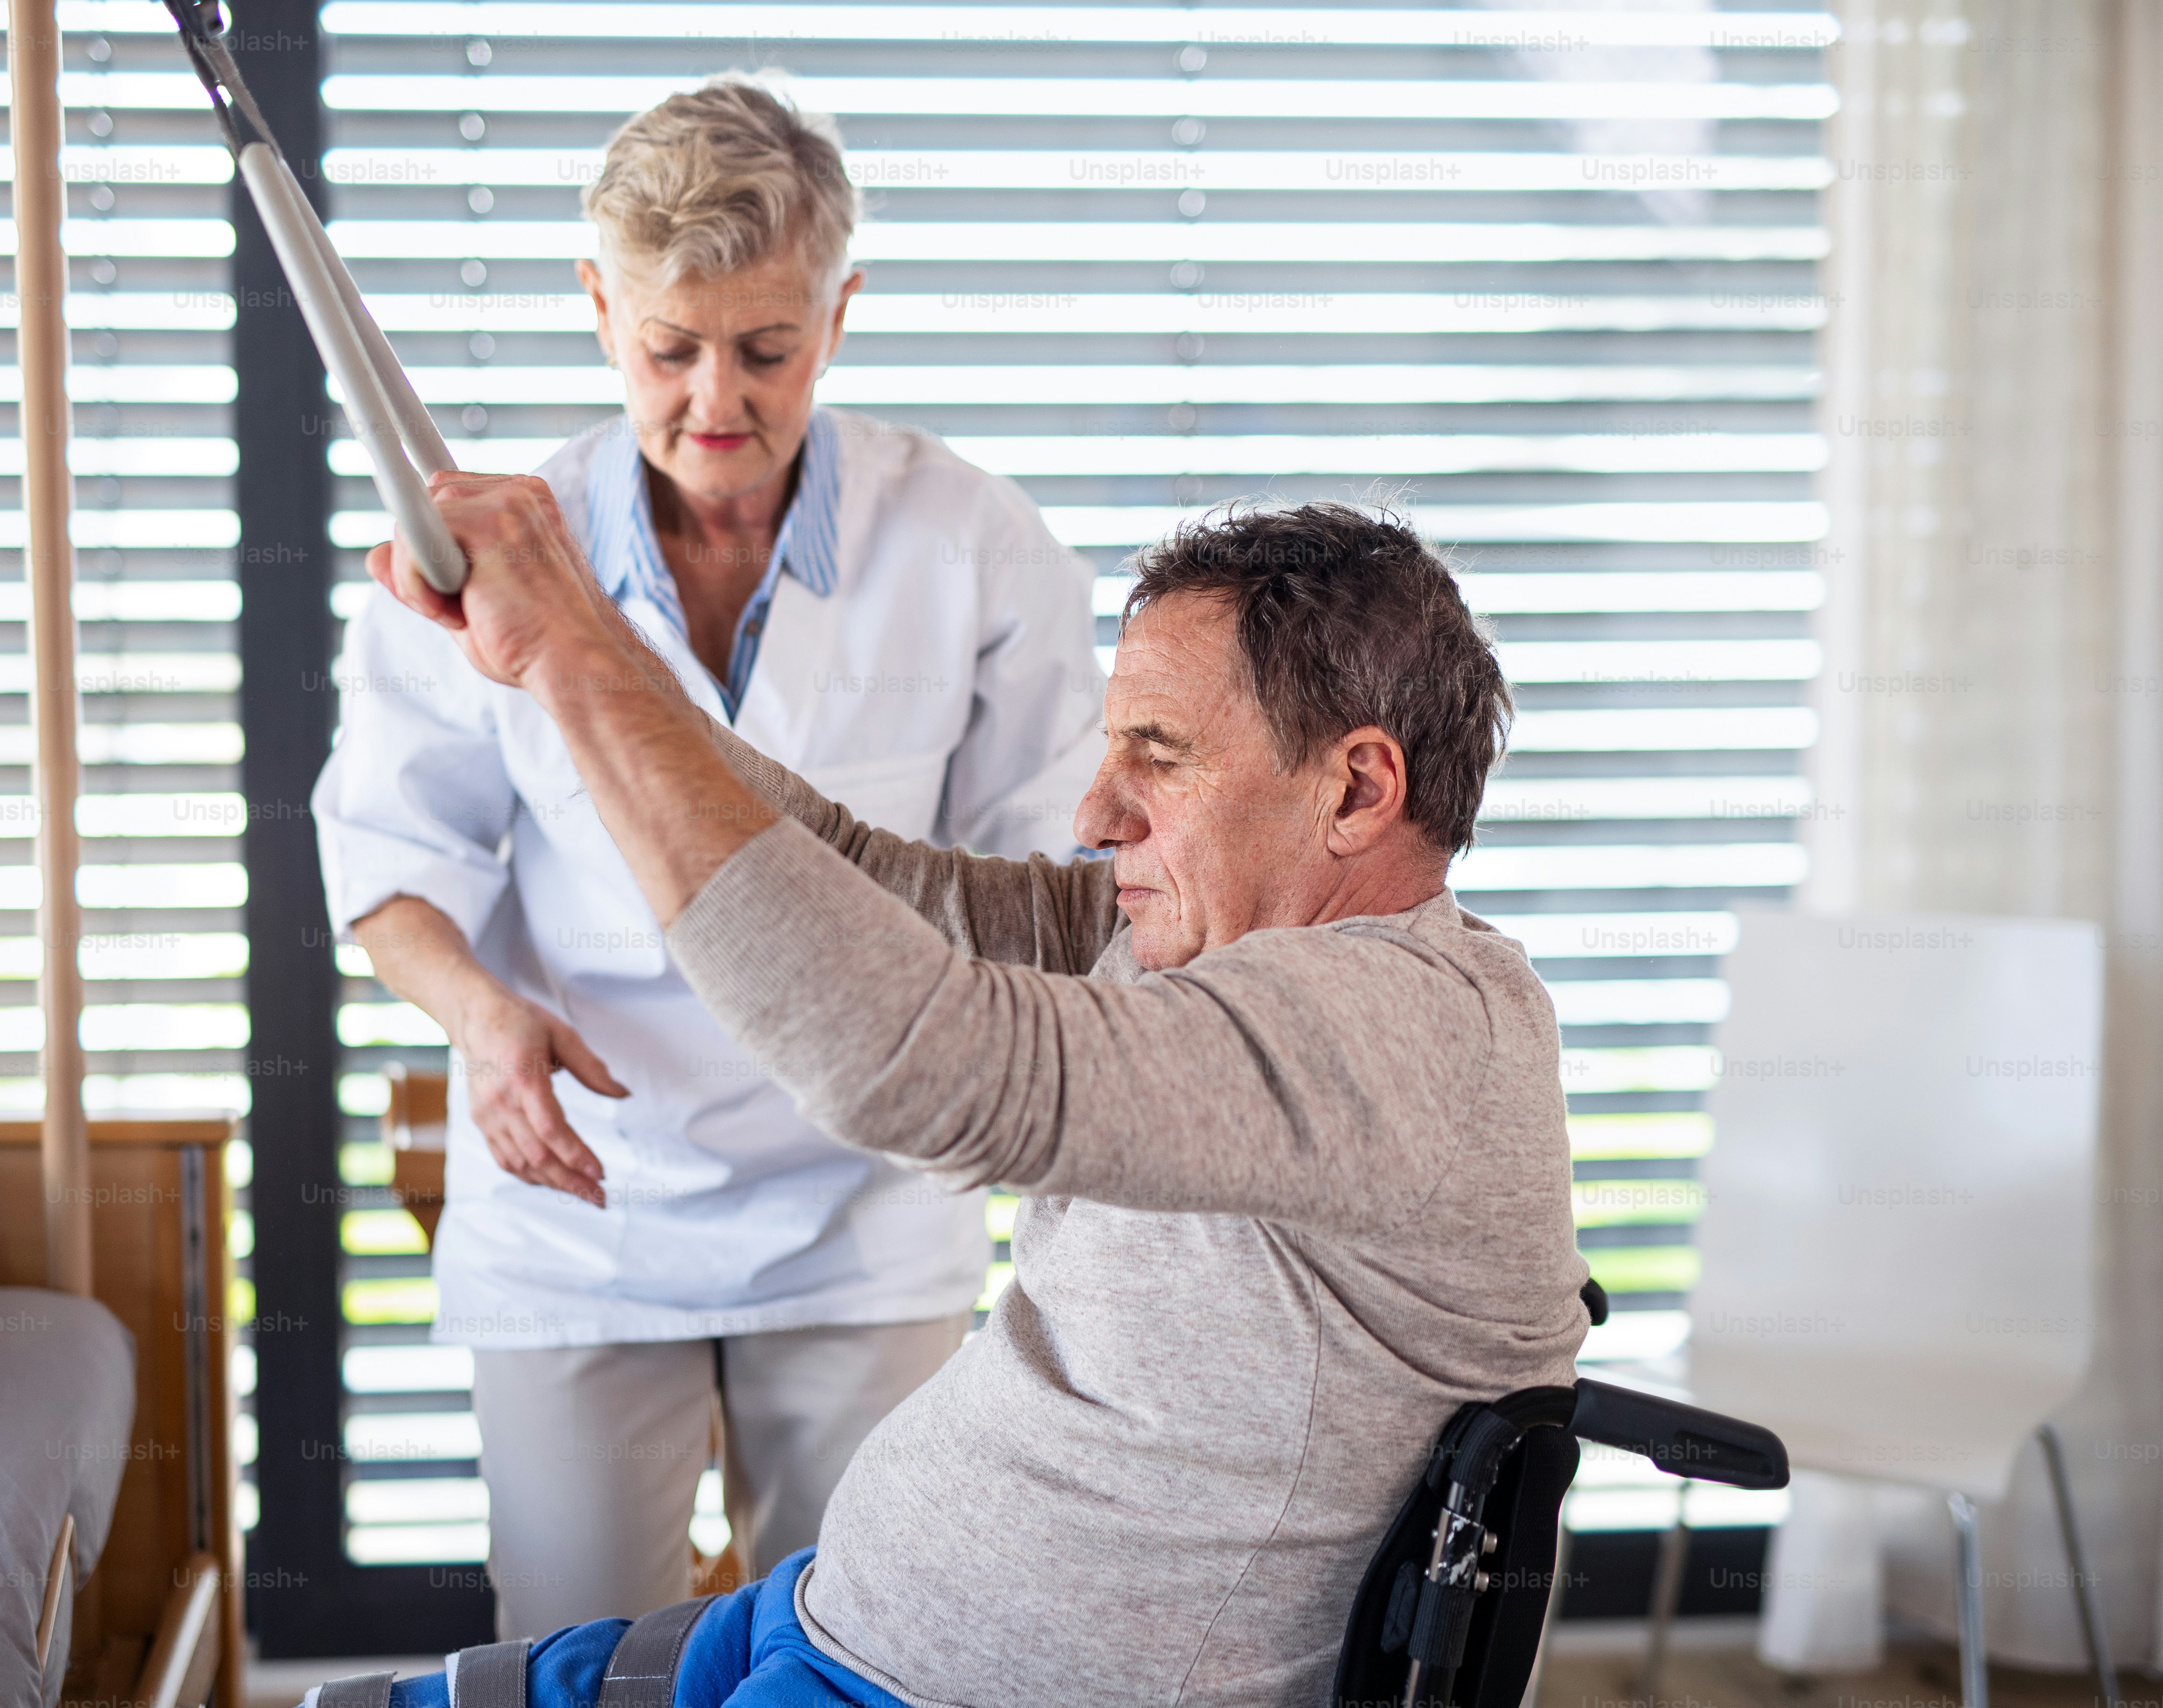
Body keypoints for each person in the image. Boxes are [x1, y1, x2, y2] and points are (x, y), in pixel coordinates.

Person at [336, 487, 1593, 1707]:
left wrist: (576, 658)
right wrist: (583, 654)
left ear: (1358, 789)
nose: (1095, 815)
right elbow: (865, 880)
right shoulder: (1191, 937)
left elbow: (916, 1060)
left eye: (1157, 760)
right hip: (828, 1617)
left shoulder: (1407, 1024)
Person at [310, 78, 1105, 1637]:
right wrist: (482, 1018)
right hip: (586, 1204)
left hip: (872, 1198)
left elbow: (1058, 883)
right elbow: (392, 853)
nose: (716, 403)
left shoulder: (973, 543)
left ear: (840, 311)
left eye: (766, 347)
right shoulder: (485, 559)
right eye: (669, 349)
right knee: (572, 1654)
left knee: (860, 1647)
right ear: (599, 307)